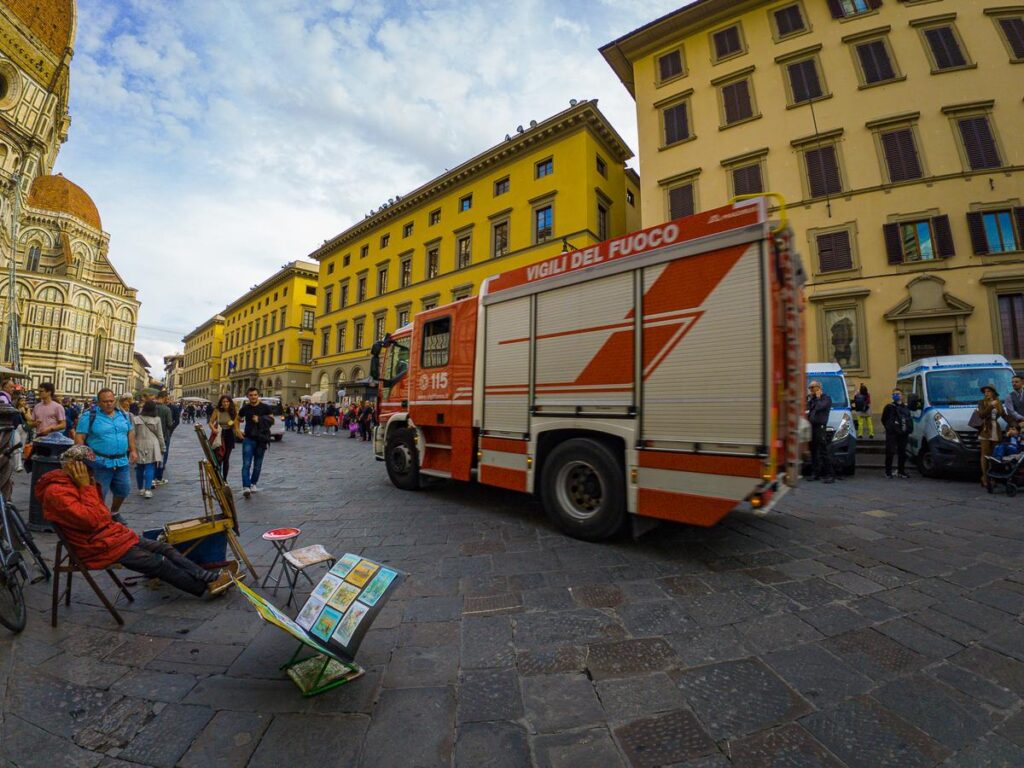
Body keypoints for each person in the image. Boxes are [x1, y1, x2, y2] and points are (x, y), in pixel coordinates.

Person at [37, 445, 235, 596]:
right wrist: (86, 488)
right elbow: (91, 520)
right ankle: (204, 587)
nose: (92, 473)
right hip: (97, 545)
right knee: (158, 563)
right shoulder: (57, 492)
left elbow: (102, 516)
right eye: (89, 469)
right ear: (75, 467)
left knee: (163, 548)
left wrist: (86, 487)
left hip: (110, 536)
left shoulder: (78, 483)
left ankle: (208, 577)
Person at [75, 388, 137, 521]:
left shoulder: (124, 415)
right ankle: (99, 517)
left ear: (115, 400)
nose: (109, 404)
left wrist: (133, 450)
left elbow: (130, 433)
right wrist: (83, 454)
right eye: (105, 401)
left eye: (111, 401)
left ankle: (114, 512)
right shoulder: (89, 416)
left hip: (121, 461)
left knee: (124, 490)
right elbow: (79, 436)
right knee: (99, 493)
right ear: (98, 403)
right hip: (99, 462)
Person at [238, 387, 272, 498]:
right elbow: (237, 419)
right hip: (248, 439)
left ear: (258, 395)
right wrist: (237, 431)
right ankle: (246, 487)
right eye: (251, 395)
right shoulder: (245, 408)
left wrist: (260, 419)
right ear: (248, 396)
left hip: (261, 439)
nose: (253, 397)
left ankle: (253, 484)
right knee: (246, 463)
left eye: (255, 395)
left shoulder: (265, 407)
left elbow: (272, 420)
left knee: (257, 465)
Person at [132, 400, 164, 498]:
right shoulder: (157, 419)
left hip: (139, 444)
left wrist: (131, 447)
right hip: (152, 445)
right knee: (150, 467)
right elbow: (160, 435)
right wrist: (163, 447)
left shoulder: (136, 419)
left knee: (139, 467)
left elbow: (132, 434)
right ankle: (148, 490)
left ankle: (140, 489)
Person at [976, 385, 1006, 488]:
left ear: (993, 392)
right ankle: (984, 477)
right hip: (985, 430)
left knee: (994, 455)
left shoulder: (998, 402)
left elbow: (1004, 415)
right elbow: (981, 415)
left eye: (988, 391)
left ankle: (993, 477)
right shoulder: (981, 402)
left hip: (995, 430)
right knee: (985, 454)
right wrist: (991, 406)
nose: (986, 393)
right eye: (985, 392)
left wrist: (1016, 423)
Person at [881, 388, 913, 479]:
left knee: (902, 453)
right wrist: (889, 428)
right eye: (894, 394)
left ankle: (901, 471)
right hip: (892, 434)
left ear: (902, 395)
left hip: (903, 433)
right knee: (890, 452)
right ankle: (888, 472)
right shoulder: (889, 407)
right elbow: (883, 419)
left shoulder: (905, 408)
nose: (896, 395)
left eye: (898, 393)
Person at [806, 381, 834, 483]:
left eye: (812, 387)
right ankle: (815, 473)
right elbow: (807, 408)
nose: (810, 389)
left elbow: (820, 407)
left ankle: (830, 475)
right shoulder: (812, 399)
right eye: (809, 388)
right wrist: (810, 399)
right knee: (813, 451)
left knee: (823, 451)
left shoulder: (826, 398)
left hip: (820, 427)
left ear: (818, 388)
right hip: (812, 427)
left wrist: (817, 398)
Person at [209, 395, 239, 481]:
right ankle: (217, 477)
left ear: (230, 402)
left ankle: (224, 479)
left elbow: (237, 422)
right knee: (219, 457)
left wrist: (236, 427)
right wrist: (213, 429)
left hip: (229, 434)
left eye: (227, 402)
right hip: (219, 434)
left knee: (226, 458)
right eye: (224, 402)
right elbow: (210, 422)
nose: (225, 403)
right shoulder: (217, 411)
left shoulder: (233, 411)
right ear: (221, 403)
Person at [152, 391, 179, 486]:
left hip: (152, 436)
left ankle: (151, 478)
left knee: (152, 457)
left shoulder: (152, 407)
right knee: (162, 456)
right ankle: (158, 477)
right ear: (164, 397)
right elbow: (170, 424)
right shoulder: (166, 409)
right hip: (164, 436)